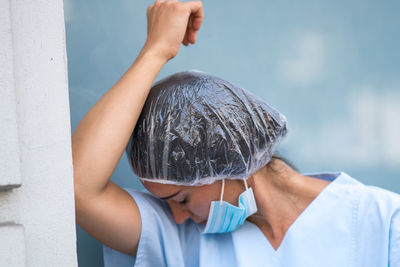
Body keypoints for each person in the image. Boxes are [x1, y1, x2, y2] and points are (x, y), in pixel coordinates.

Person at [72, 1, 400, 266]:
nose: (179, 215)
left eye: (182, 198)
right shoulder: (173, 234)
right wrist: (155, 51)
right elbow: (77, 188)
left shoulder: (383, 222)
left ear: (225, 161)